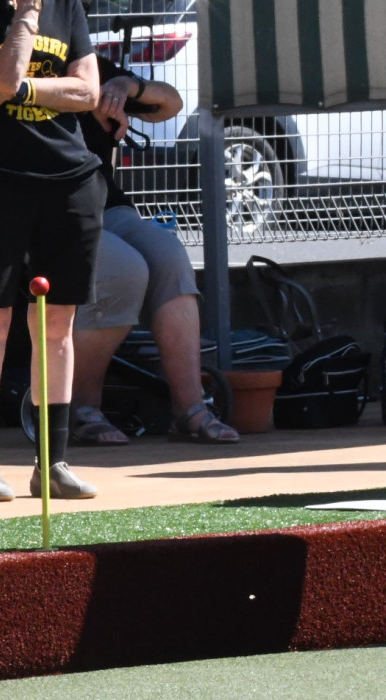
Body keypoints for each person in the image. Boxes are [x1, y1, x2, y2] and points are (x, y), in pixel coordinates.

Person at [0, 0, 103, 502]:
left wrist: (19, 92)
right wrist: (28, 14)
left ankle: (52, 463)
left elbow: (88, 91)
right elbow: (4, 71)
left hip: (71, 179)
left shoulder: (67, 5)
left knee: (57, 325)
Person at [65, 55, 238, 445]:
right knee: (125, 269)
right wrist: (86, 100)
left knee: (169, 256)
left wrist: (127, 88)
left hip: (106, 204)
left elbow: (171, 103)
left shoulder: (86, 61)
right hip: (49, 208)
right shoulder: (22, 60)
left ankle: (190, 409)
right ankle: (82, 408)